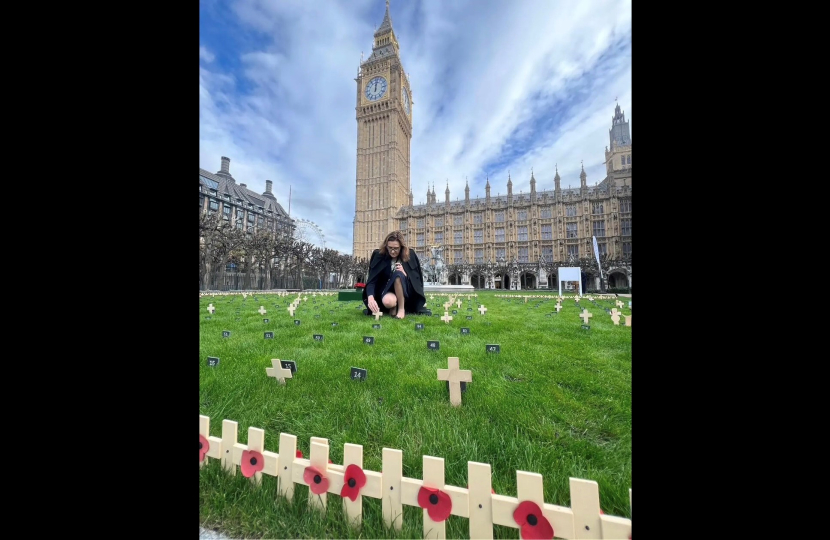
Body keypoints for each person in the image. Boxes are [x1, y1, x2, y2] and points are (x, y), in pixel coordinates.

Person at [362, 231, 428, 319]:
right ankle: (393, 306)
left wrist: (405, 274)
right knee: (388, 302)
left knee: (398, 275)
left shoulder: (410, 255)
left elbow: (417, 280)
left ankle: (401, 309)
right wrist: (370, 297)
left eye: (396, 248)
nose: (392, 251)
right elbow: (372, 280)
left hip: (405, 292)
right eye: (390, 248)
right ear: (386, 246)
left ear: (401, 247)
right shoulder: (378, 255)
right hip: (387, 290)